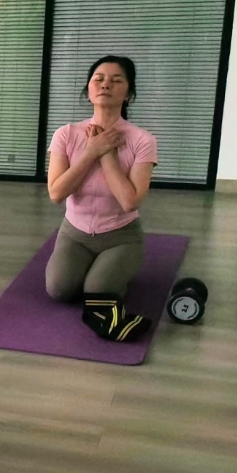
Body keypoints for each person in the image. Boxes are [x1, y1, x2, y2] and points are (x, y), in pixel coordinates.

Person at [45, 55, 158, 342]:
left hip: (121, 237)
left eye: (116, 80)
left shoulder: (142, 140)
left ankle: (113, 273)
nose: (106, 84)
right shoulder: (66, 134)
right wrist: (91, 151)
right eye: (99, 79)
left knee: (96, 292)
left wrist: (107, 154)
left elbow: (130, 201)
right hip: (74, 234)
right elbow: (56, 193)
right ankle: (98, 272)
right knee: (59, 290)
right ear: (88, 90)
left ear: (129, 93)